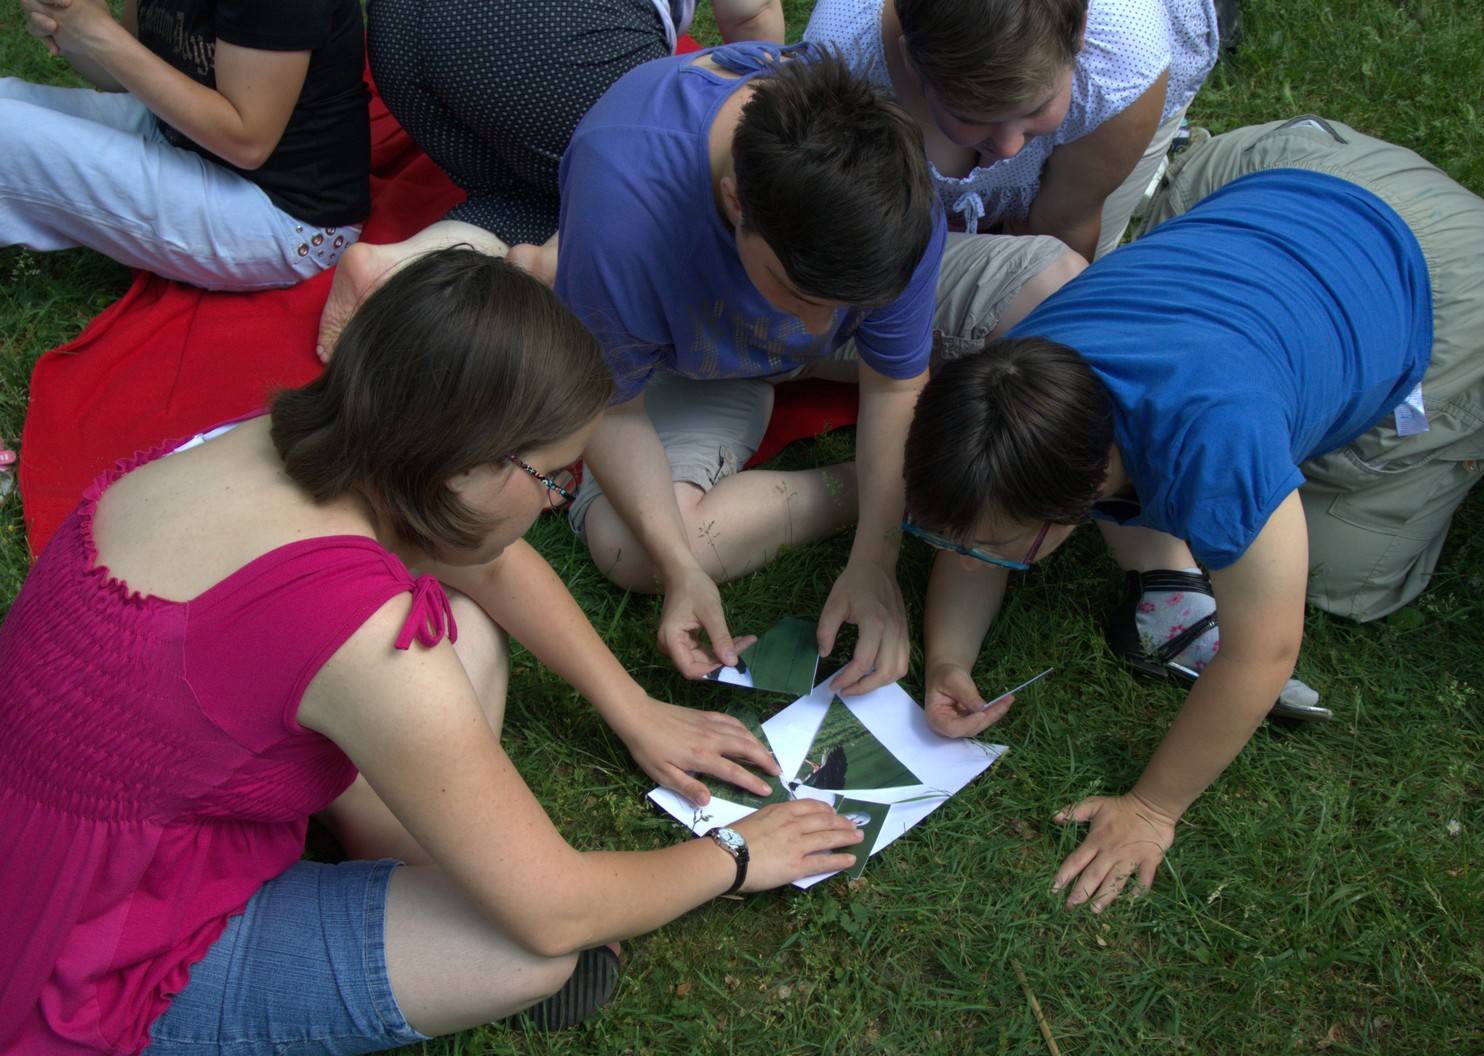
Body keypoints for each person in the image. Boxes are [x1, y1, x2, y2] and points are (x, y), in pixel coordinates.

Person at [0, 249, 863, 1056]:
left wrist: (633, 709)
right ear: (467, 463)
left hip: (66, 826)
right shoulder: (364, 633)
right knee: (523, 953)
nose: (555, 502)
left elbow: (484, 561)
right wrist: (736, 856)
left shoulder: (285, 441)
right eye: (554, 477)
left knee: (466, 634)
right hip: (75, 966)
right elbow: (554, 907)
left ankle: (384, 849)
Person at [901, 117, 1484, 913]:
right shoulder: (1022, 374)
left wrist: (1151, 810)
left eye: (1002, 547)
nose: (973, 554)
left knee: (1340, 571)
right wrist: (948, 660)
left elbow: (1265, 650)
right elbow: (976, 528)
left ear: (1078, 503)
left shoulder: (1215, 449)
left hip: (1457, 274)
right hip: (1284, 175)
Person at [553, 42, 1083, 698]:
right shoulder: (624, 203)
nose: (813, 330)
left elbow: (892, 381)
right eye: (796, 293)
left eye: (837, 307)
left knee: (1058, 292)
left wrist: (875, 559)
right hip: (690, 359)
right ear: (734, 202)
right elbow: (611, 406)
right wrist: (681, 567)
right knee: (631, 548)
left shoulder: (893, 199)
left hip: (838, 287)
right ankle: (871, 483)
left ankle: (886, 459)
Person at [314, 0, 785, 359]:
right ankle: (538, 274)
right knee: (647, 185)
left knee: (544, 191)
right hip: (548, 35)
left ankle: (399, 267)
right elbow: (751, 12)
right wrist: (777, 115)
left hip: (398, 36)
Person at [804, 0, 1219, 260]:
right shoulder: (843, 57)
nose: (1008, 148)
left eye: (1037, 109)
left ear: (1079, 35)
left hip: (1107, 116)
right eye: (970, 117)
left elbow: (1065, 230)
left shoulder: (1123, 66)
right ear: (911, 62)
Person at [2, 0, 370, 290]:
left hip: (285, 214)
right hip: (181, 136)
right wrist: (68, 26)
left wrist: (97, 32)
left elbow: (247, 143)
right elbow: (126, 74)